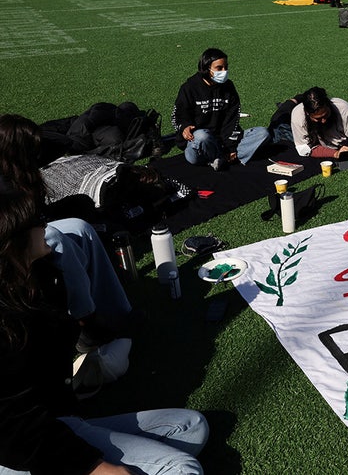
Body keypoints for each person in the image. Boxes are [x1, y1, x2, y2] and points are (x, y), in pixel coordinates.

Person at [0, 192, 210, 475]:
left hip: (55, 420)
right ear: (13, 241)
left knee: (191, 428)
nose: (48, 226)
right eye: (38, 220)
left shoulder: (35, 279)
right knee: (184, 468)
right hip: (19, 449)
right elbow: (11, 428)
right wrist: (95, 467)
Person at [0, 114, 134, 358]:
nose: (37, 154)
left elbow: (60, 145)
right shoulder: (5, 188)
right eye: (32, 149)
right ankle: (86, 322)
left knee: (81, 225)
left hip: (33, 229)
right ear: (16, 152)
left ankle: (118, 311)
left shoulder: (23, 173)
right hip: (11, 243)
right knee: (57, 240)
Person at [171, 48, 270, 171]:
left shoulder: (229, 87)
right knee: (201, 136)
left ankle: (219, 158)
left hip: (223, 139)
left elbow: (232, 119)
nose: (224, 71)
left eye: (226, 67)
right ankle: (222, 157)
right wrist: (184, 127)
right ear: (206, 68)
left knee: (262, 133)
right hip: (201, 142)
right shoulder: (189, 87)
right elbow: (177, 115)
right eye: (219, 68)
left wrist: (231, 147)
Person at [288, 86, 348, 159]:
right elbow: (305, 149)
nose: (323, 121)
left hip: (338, 141)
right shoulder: (298, 116)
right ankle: (291, 102)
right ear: (308, 114)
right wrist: (335, 154)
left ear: (329, 105)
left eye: (325, 115)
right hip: (294, 128)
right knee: (282, 130)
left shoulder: (343, 108)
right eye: (318, 119)